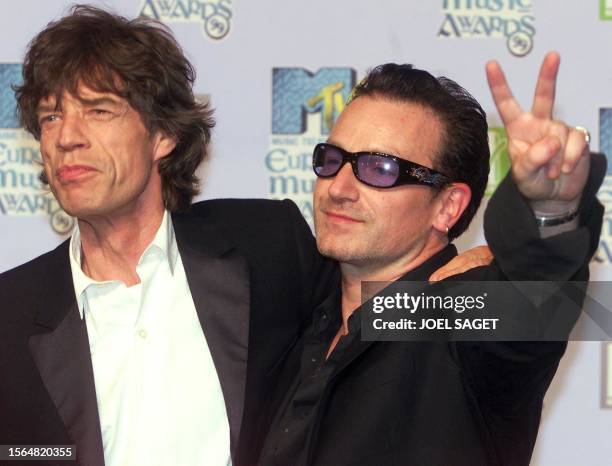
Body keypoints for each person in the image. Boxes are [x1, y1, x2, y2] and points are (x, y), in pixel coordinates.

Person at [0, 5, 489, 466]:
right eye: (50, 117)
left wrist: (459, 282)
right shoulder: (11, 311)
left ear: (163, 135)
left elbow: (374, 305)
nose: (67, 137)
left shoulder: (268, 247)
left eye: (99, 111)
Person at [258, 55, 604, 466]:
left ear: (448, 207)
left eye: (380, 168)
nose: (339, 188)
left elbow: (537, 293)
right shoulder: (288, 312)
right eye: (332, 160)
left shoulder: (462, 319)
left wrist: (548, 207)